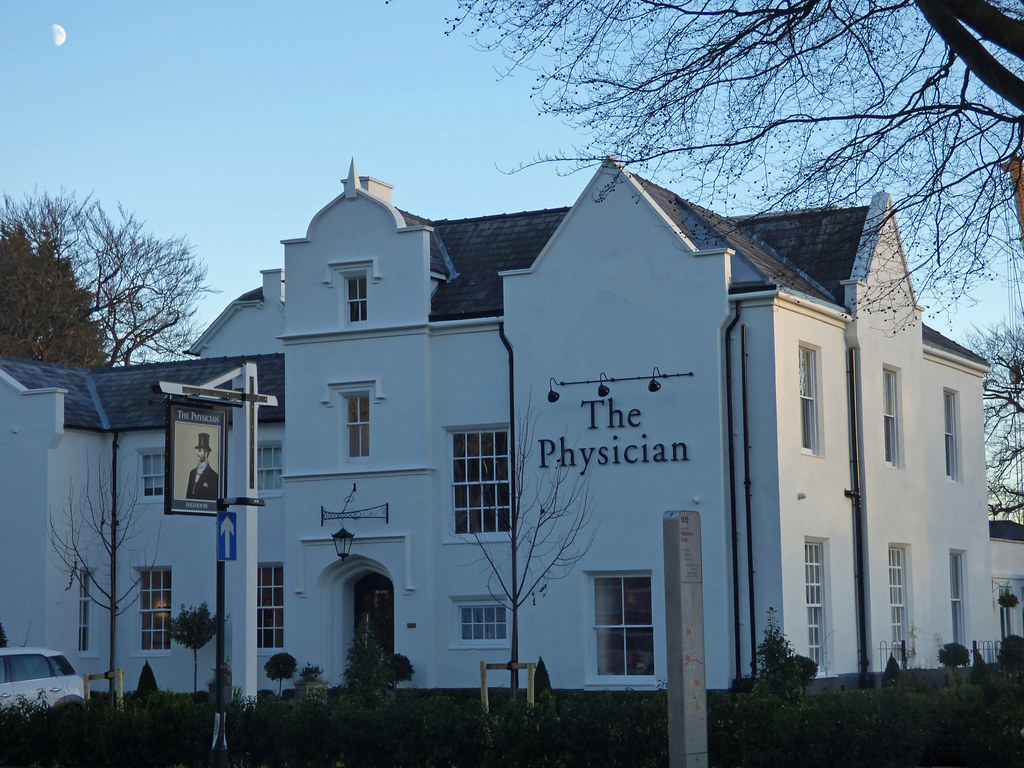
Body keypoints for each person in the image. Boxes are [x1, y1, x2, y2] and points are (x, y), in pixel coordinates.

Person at [186, 432, 219, 500]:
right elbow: (188, 496)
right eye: (198, 450)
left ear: (206, 453)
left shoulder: (213, 475)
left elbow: (214, 500)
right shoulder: (192, 473)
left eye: (200, 451)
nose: (197, 453)